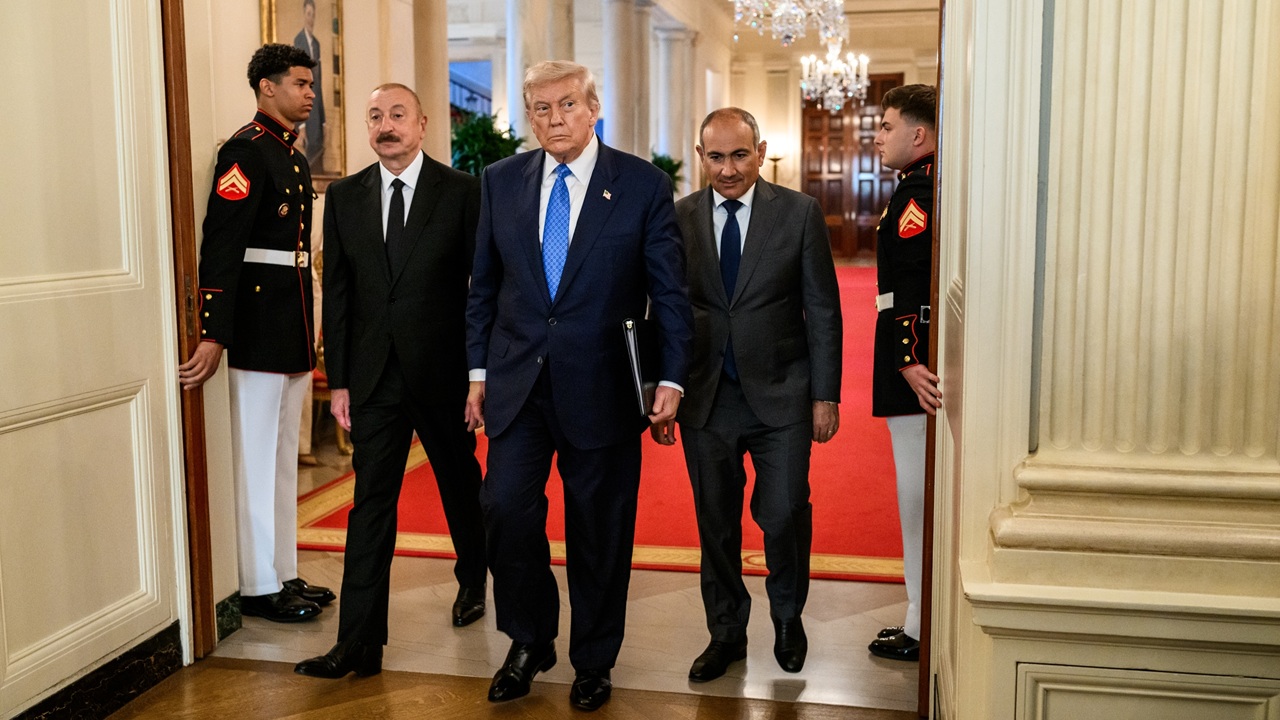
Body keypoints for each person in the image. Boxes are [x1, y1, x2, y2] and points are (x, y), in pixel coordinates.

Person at [464, 60, 693, 712]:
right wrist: (477, 374)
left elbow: (669, 294)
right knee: (505, 511)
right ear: (529, 117)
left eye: (567, 104)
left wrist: (670, 377)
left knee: (599, 530)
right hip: (518, 383)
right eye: (541, 108)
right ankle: (529, 638)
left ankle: (594, 659)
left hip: (604, 386)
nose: (554, 118)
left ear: (594, 109)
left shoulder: (642, 185)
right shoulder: (500, 181)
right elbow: (483, 288)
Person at [293, 83, 489, 679]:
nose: (386, 125)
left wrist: (479, 376)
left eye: (397, 114)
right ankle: (358, 644)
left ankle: (472, 578)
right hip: (374, 379)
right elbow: (340, 293)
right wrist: (341, 381)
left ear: (422, 124)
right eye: (375, 116)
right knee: (370, 505)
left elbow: (482, 291)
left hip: (444, 374)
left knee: (460, 484)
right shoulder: (345, 196)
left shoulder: (462, 192)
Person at [651, 108, 843, 682]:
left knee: (783, 512)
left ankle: (787, 617)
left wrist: (825, 394)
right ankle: (726, 633)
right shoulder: (679, 216)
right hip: (705, 396)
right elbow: (665, 309)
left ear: (760, 153)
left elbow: (823, 309)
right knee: (715, 523)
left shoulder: (799, 213)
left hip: (782, 394)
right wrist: (662, 388)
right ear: (700, 156)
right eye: (716, 157)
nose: (728, 169)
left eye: (739, 155)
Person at [177, 43, 335, 623]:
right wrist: (213, 331)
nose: (310, 93)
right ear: (267, 87)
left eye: (311, 84)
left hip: (289, 322)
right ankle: (256, 583)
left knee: (283, 457)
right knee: (254, 458)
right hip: (255, 325)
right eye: (300, 83)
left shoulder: (290, 155)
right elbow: (222, 245)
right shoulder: (245, 150)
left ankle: (283, 570)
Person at [867, 83, 942, 662]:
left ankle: (921, 623)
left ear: (918, 134)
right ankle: (920, 614)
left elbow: (912, 284)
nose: (878, 135)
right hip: (910, 360)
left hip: (913, 368)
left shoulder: (919, 190)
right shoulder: (920, 183)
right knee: (915, 496)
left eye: (887, 125)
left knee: (916, 499)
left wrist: (909, 357)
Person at [293, 0, 326, 173]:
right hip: (306, 116)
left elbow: (318, 84)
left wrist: (323, 120)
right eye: (308, 15)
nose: (311, 19)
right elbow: (298, 86)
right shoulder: (299, 40)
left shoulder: (316, 44)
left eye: (313, 15)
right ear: (303, 16)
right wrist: (302, 126)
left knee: (319, 157)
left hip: (317, 112)